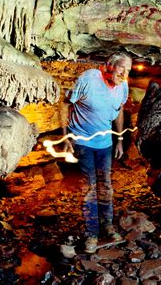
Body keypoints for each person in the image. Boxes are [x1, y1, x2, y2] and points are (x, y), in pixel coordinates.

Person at [60, 52, 132, 254]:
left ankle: (107, 226)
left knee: (105, 184)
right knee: (90, 187)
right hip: (83, 142)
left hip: (105, 144)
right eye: (121, 68)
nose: (124, 74)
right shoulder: (89, 78)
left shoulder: (122, 85)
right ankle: (92, 233)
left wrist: (119, 139)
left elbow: (118, 110)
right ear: (109, 65)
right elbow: (65, 105)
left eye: (128, 70)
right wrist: (65, 136)